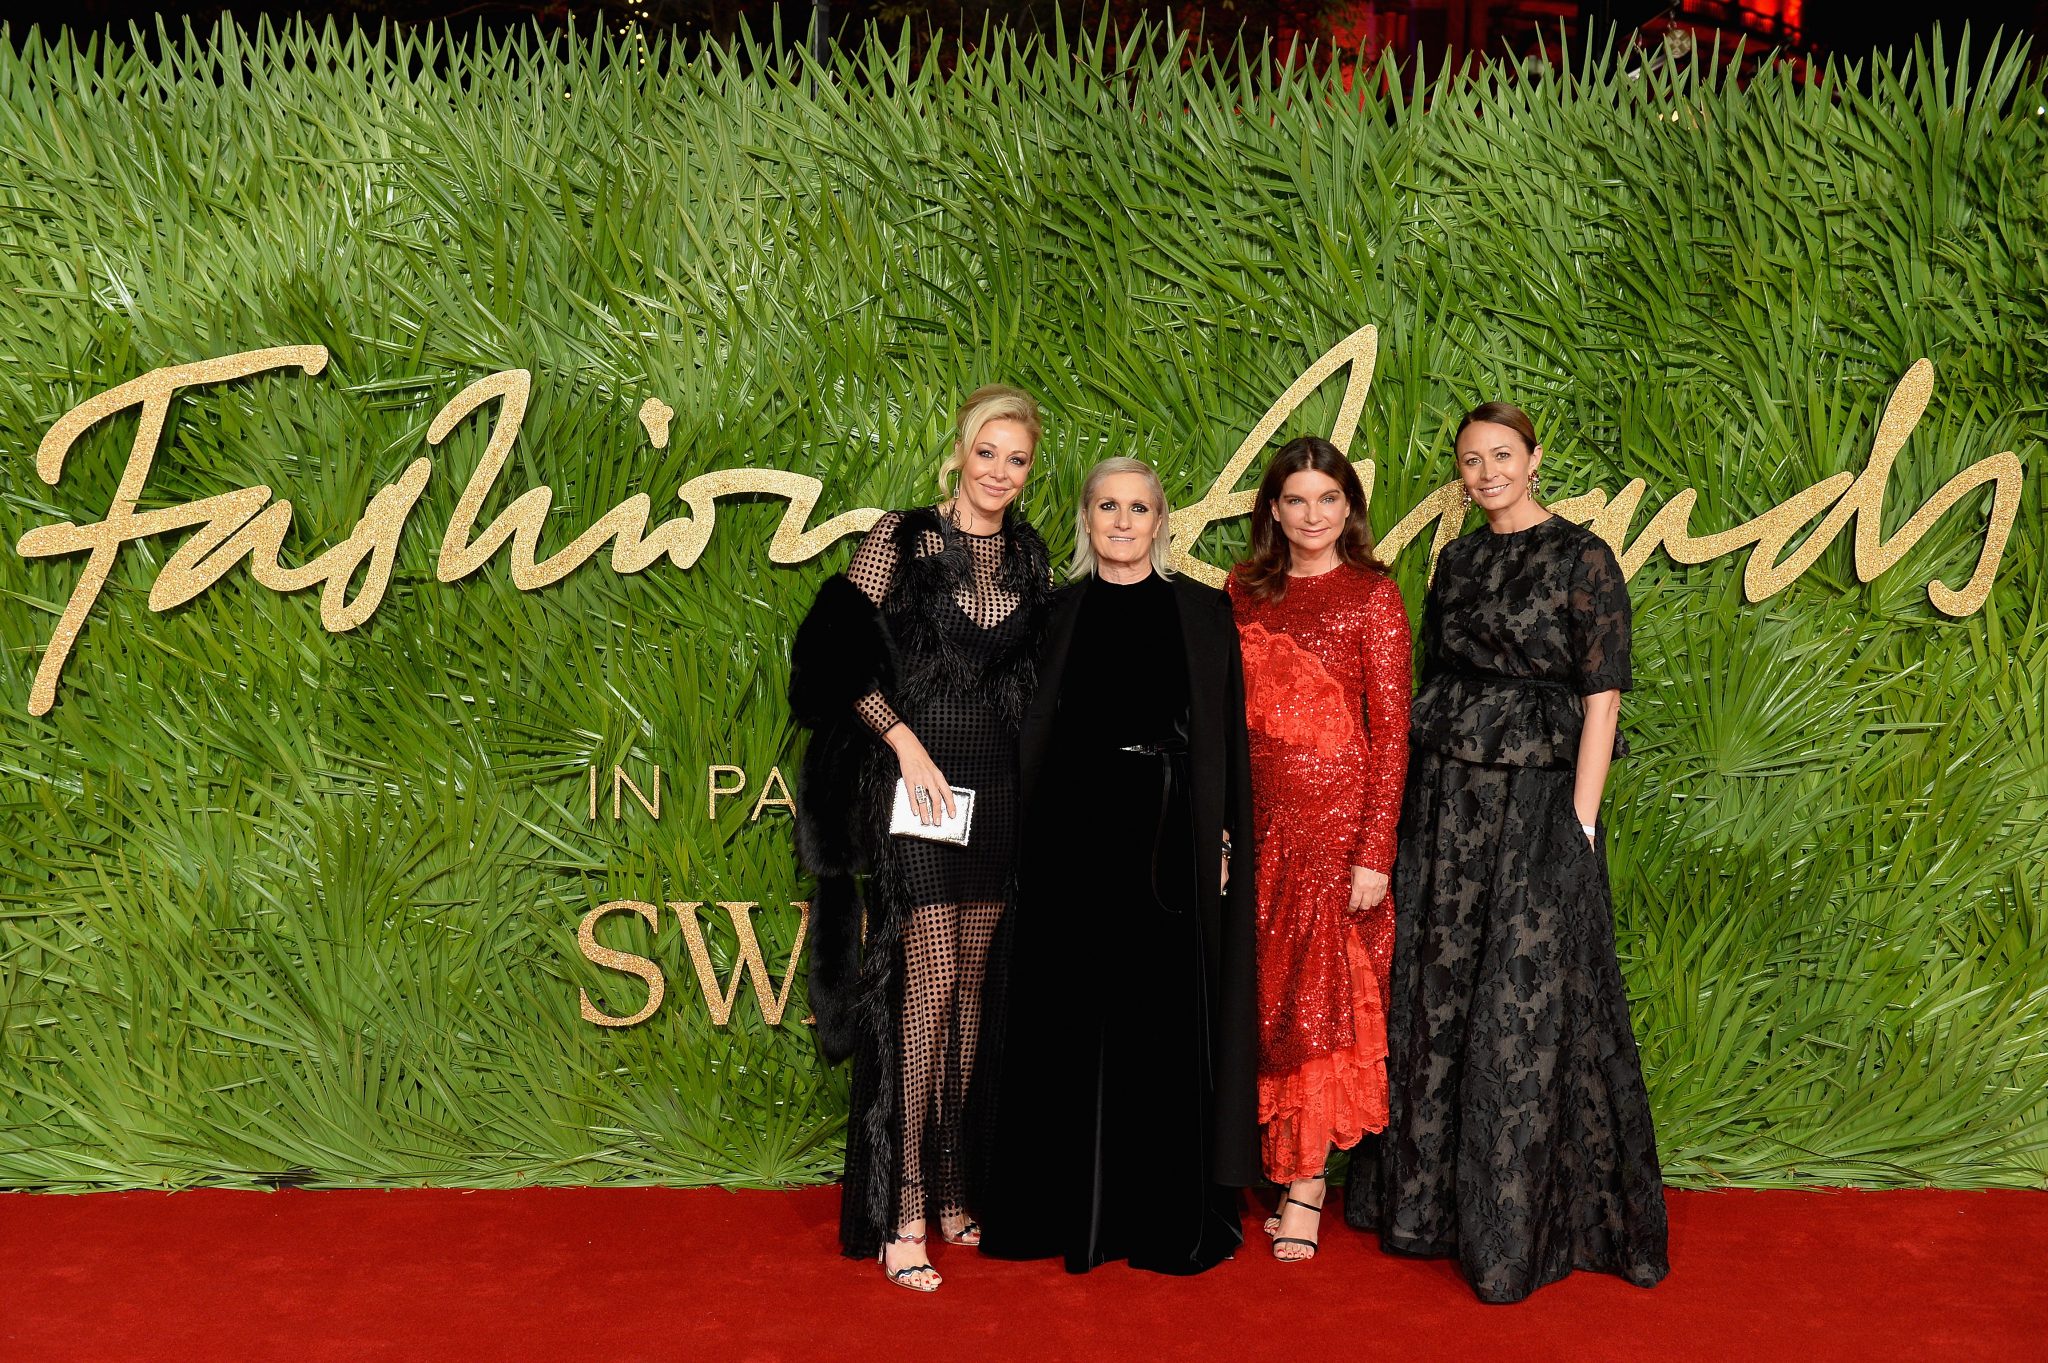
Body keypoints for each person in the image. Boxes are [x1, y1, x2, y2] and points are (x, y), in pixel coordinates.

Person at [1362, 401, 1669, 1303]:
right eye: (1471, 459)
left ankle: (1522, 1226)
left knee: (1524, 996)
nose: (1487, 471)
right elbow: (1435, 683)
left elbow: (1602, 700)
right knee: (1442, 991)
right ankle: (1430, 1209)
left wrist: (1580, 824)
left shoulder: (1584, 557)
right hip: (1448, 807)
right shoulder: (1456, 561)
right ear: (1460, 474)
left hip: (1537, 807)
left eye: (1502, 455)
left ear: (1535, 459)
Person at [788, 384, 1051, 1293]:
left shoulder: (1029, 554)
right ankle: (900, 1208)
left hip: (998, 791)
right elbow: (831, 654)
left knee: (972, 986)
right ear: (960, 451)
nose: (1000, 472)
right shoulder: (899, 538)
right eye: (988, 452)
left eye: (1017, 459)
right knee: (927, 983)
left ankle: (950, 1183)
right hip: (915, 789)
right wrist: (901, 741)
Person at [975, 457, 1260, 1275]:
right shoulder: (1052, 613)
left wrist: (1223, 841)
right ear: (1087, 517)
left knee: (1158, 1017)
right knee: (1068, 1013)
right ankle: (1059, 1207)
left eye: (1139, 507)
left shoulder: (1204, 612)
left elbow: (1227, 741)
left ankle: (1154, 1212)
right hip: (1069, 833)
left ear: (1160, 520)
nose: (1124, 521)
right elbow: (1023, 731)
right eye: (1109, 506)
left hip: (1167, 836)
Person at [1226, 436, 1410, 1262]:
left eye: (1327, 499)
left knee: (1322, 1002)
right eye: (1296, 500)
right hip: (1260, 826)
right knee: (1267, 998)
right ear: (1273, 509)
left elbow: (1393, 734)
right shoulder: (1243, 590)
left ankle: (1306, 1186)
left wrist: (1374, 850)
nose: (1311, 515)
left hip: (1338, 835)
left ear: (1349, 509)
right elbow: (1224, 720)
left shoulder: (1373, 595)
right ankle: (1270, 1160)